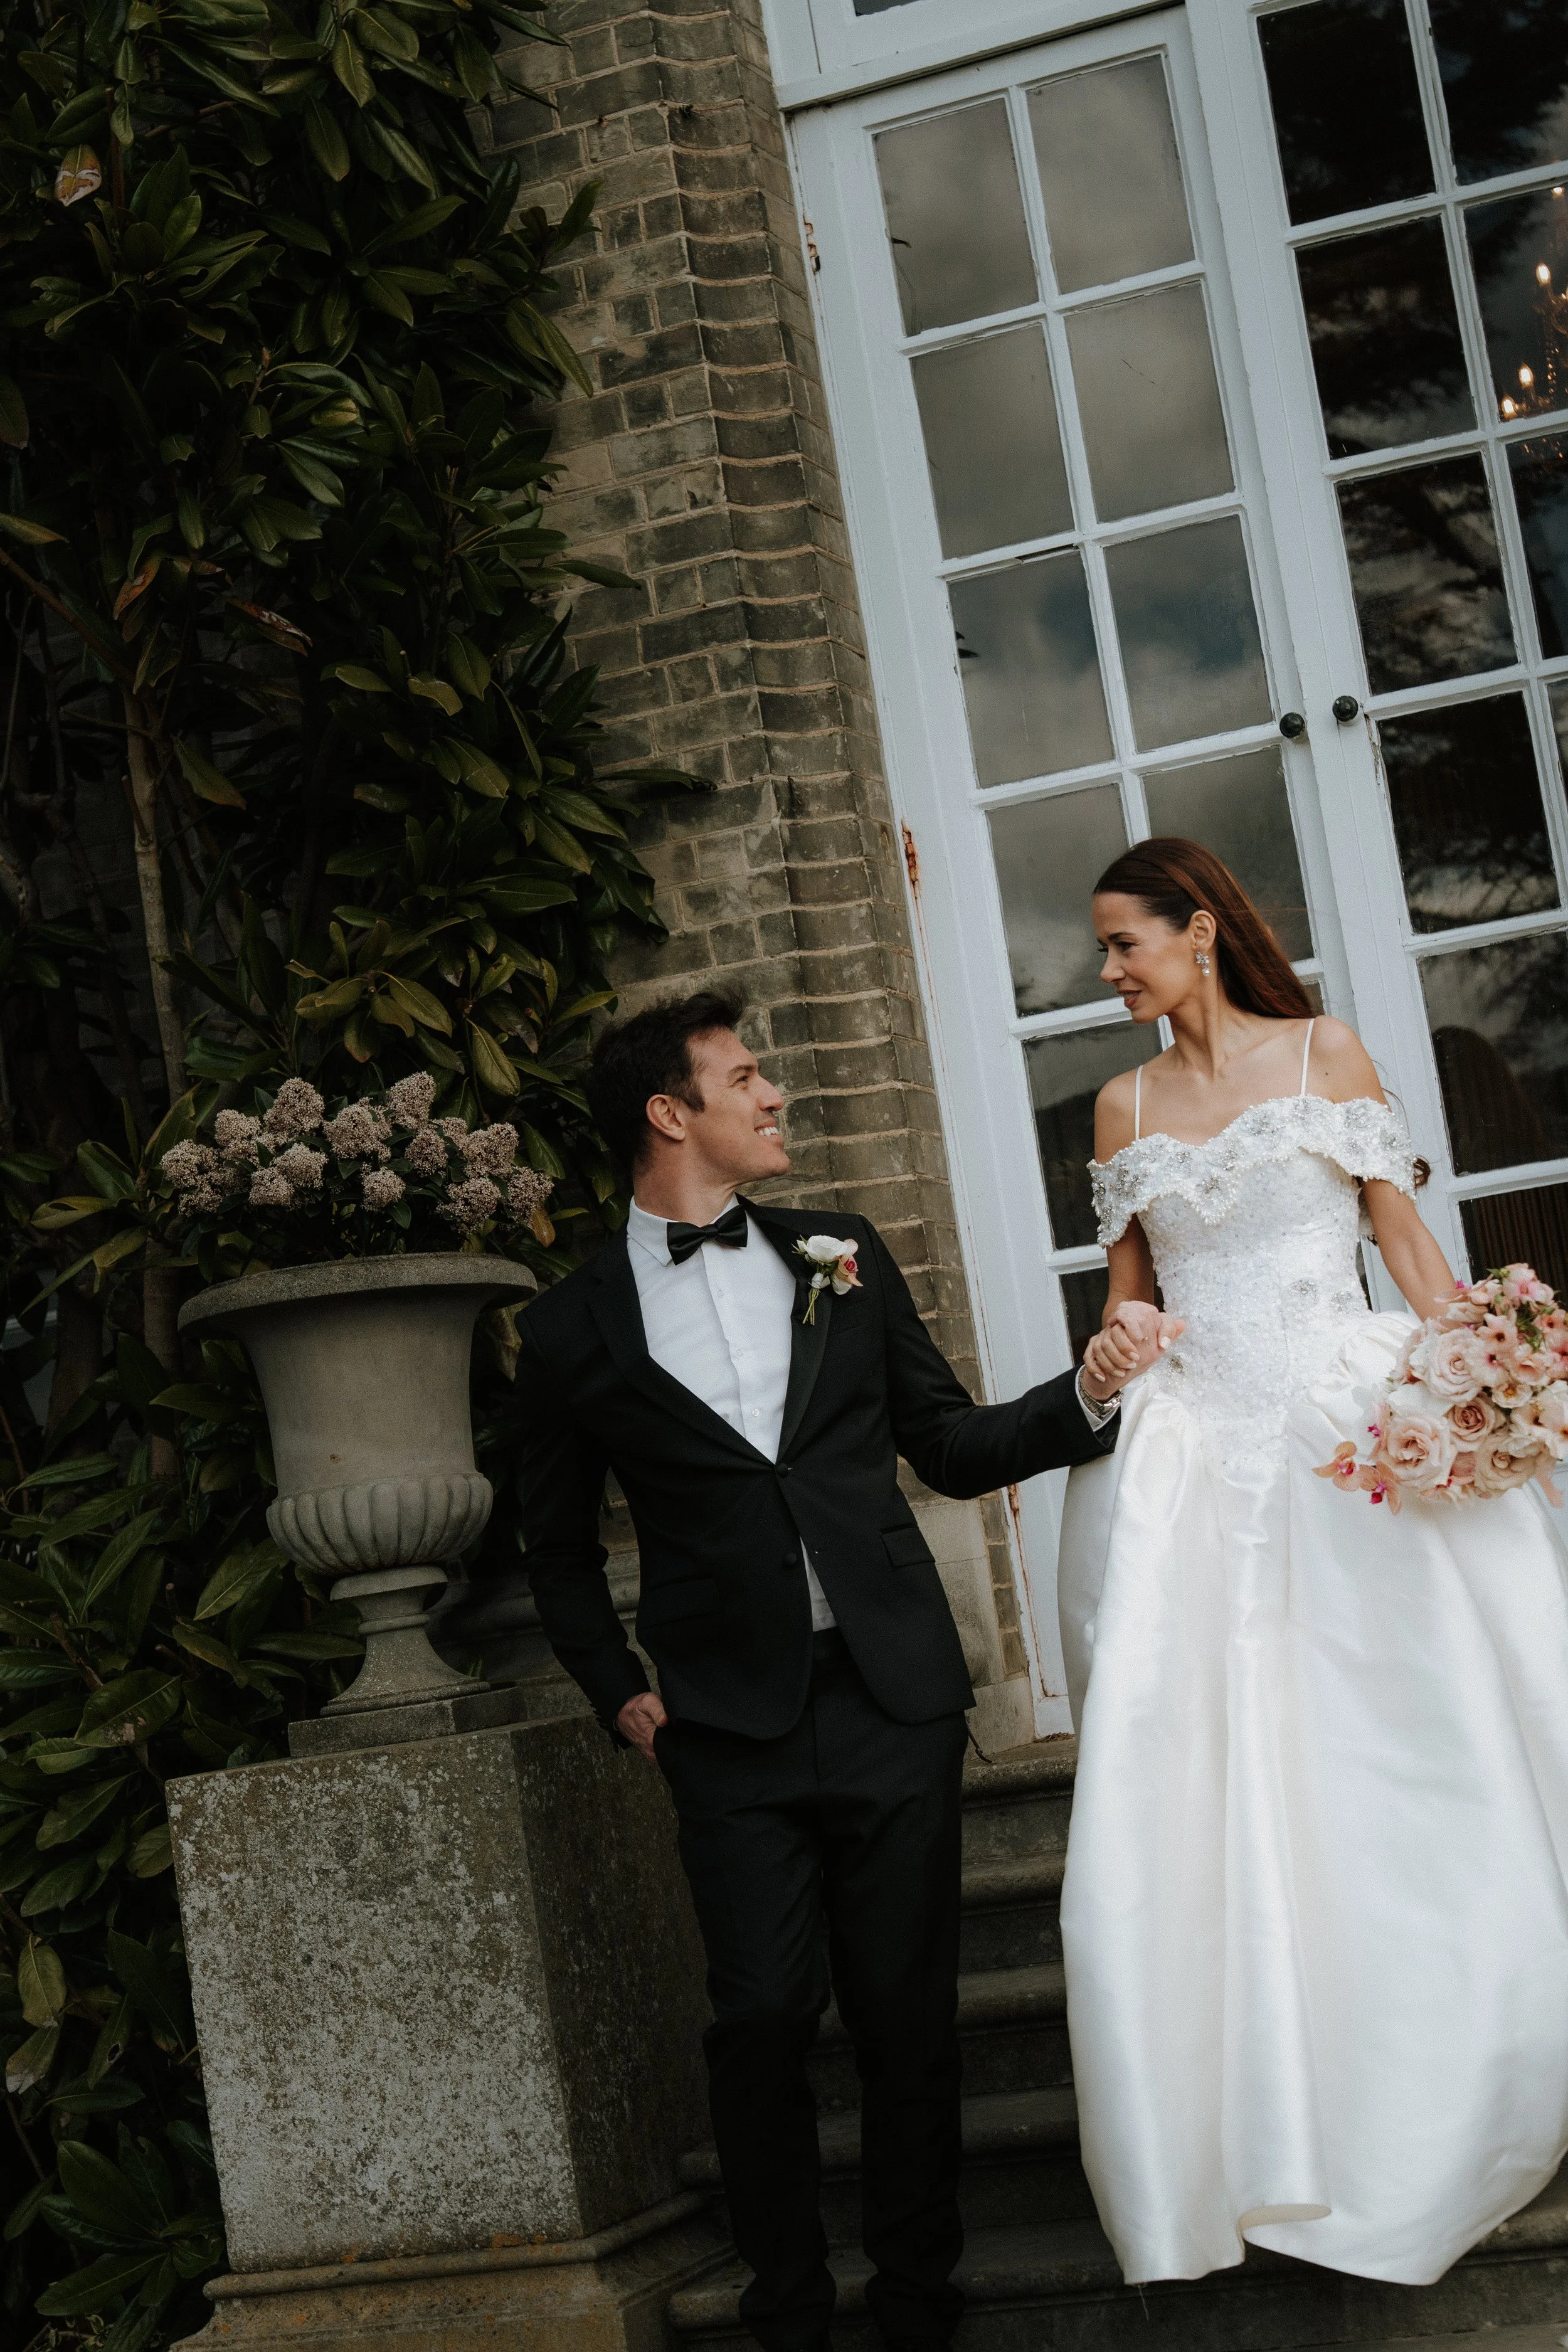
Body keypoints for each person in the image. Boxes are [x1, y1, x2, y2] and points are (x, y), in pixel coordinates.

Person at [514, 988, 1170, 2352]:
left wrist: (1091, 1398)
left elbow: (943, 1444)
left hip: (890, 1700)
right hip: (724, 1725)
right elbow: (554, 1543)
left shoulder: (842, 1253)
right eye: (744, 1077)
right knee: (759, 2017)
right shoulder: (570, 1327)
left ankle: (919, 2311)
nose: (772, 1096)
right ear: (667, 1113)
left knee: (904, 2022)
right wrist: (610, 1681)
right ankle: (789, 2312)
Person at [1059, 837, 1568, 2290]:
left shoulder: (1319, 1050)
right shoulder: (1121, 1105)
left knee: (1396, 1738)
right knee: (1220, 1773)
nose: (1104, 971)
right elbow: (1129, 1296)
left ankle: (1457, 2060)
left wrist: (1484, 1365)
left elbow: (1399, 1240)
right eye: (1100, 949)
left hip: (1343, 1429)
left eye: (1120, 943)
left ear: (1199, 931)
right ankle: (1261, 2123)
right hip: (1197, 1451)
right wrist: (1113, 1349)